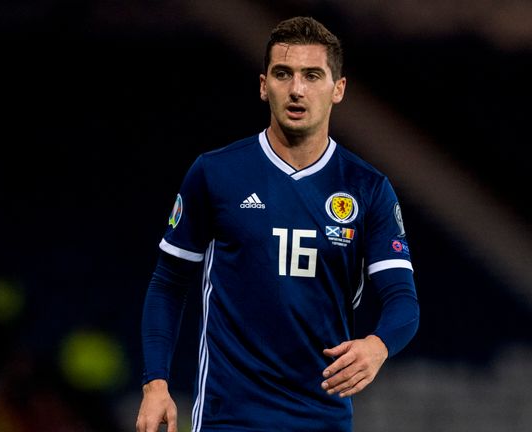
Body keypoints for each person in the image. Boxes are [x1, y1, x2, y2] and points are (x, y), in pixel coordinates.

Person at [135, 16, 420, 432]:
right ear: (264, 85)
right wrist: (155, 384)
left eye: (312, 75)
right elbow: (168, 282)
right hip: (228, 417)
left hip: (322, 417)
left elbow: (403, 302)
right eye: (283, 74)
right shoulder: (216, 174)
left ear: (338, 89)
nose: (297, 89)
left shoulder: (367, 188)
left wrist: (377, 346)